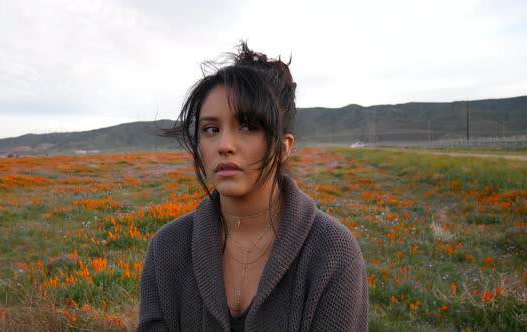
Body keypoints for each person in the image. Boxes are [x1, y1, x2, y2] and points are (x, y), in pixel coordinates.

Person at [137, 42, 368, 331]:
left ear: (284, 147)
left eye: (247, 126)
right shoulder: (167, 248)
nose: (225, 146)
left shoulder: (332, 254)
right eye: (211, 129)